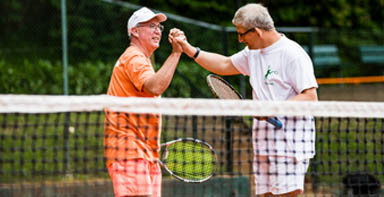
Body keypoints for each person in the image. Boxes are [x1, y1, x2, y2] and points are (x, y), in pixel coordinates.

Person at [172, 3, 318, 197]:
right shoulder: (253, 53)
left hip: (289, 144)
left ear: (256, 31)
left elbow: (310, 97)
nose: (240, 40)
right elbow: (224, 64)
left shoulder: (293, 54)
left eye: (242, 34)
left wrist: (273, 109)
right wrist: (190, 50)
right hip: (264, 142)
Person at [104, 7, 182, 197]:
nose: (158, 31)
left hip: (146, 153)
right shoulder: (134, 57)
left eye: (159, 27)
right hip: (129, 151)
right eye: (151, 26)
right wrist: (176, 53)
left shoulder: (141, 60)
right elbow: (154, 86)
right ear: (135, 31)